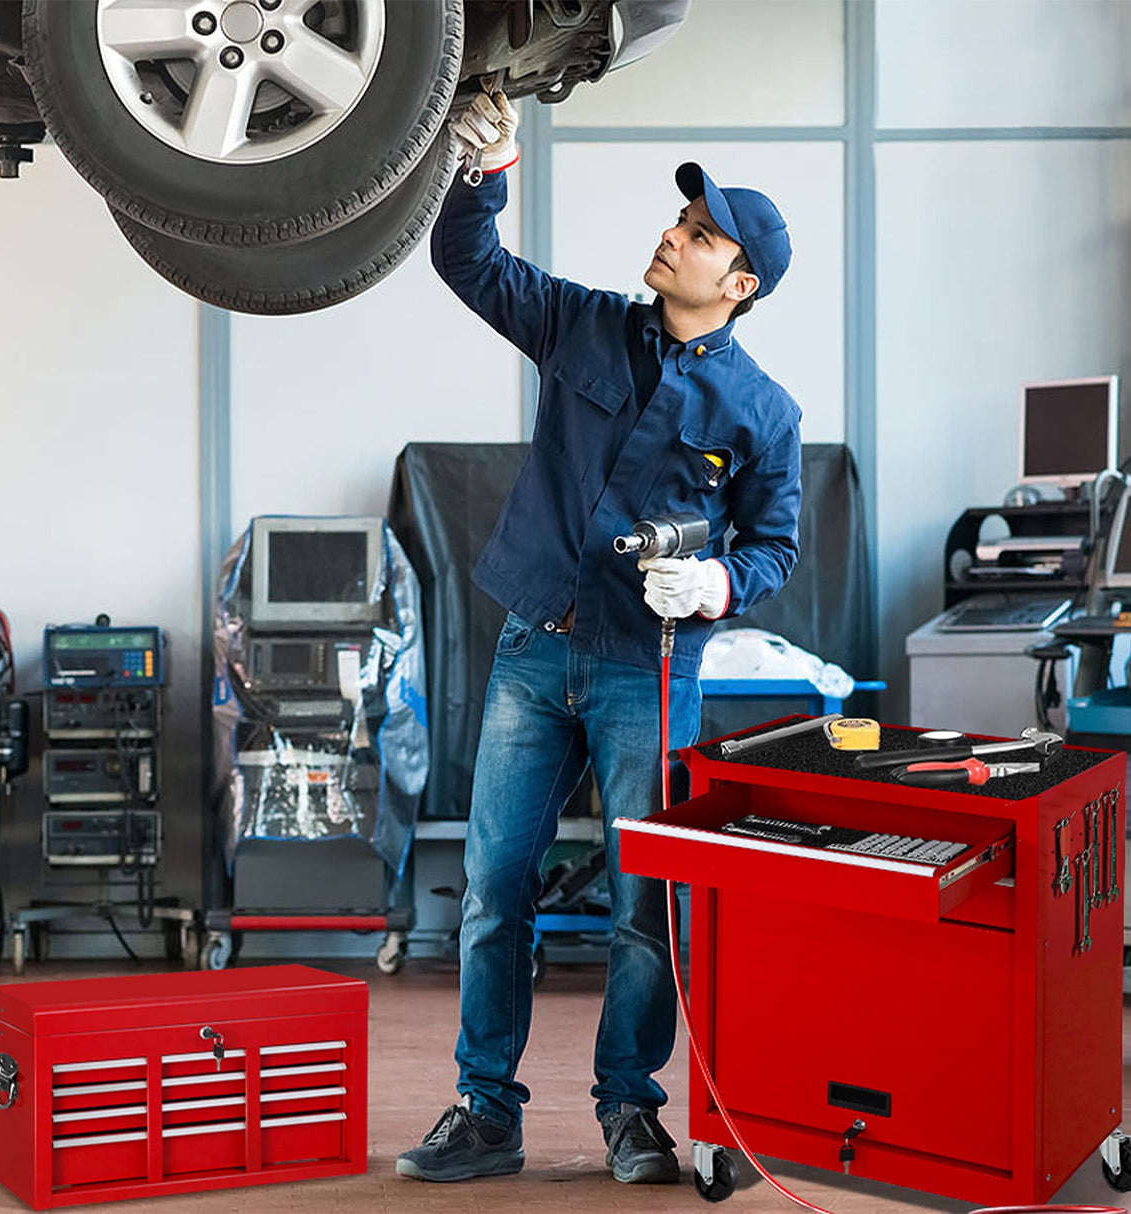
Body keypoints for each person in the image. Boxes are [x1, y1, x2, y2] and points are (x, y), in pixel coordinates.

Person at [396, 88, 802, 1186]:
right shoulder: (580, 324)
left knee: (644, 904)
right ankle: (486, 1111)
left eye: (701, 234)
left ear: (740, 284)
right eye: (682, 220)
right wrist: (488, 171)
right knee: (494, 890)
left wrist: (717, 582)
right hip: (534, 648)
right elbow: (469, 262)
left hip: (649, 672)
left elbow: (774, 546)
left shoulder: (764, 413)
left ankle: (631, 1108)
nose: (673, 234)